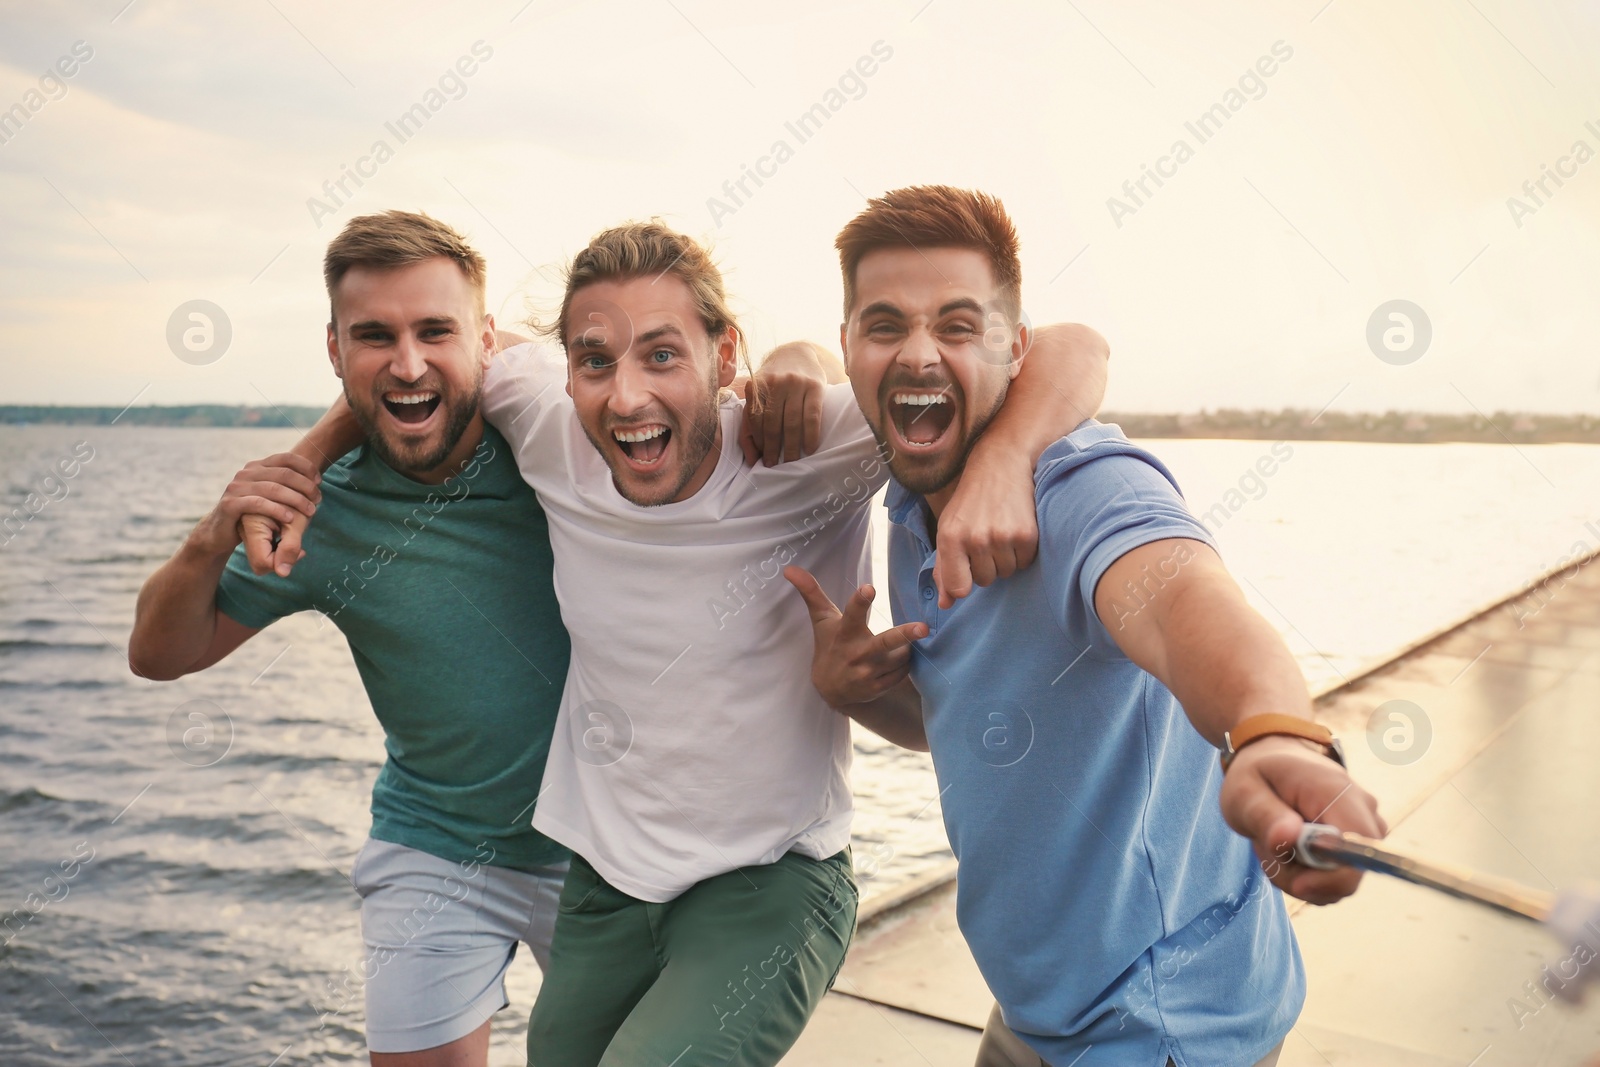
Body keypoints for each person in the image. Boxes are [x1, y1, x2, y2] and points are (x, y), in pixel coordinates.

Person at [268, 216, 1110, 1065]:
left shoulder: (811, 443)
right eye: (595, 360)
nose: (626, 395)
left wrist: (1002, 460)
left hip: (772, 884)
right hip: (608, 884)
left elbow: (1077, 348)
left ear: (726, 354)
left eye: (663, 354)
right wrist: (305, 461)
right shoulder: (542, 414)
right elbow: (419, 367)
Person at [127, 210, 820, 1065]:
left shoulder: (558, 443)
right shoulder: (320, 513)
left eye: (435, 330)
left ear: (486, 342)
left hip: (611, 851)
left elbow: (633, 384)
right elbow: (159, 654)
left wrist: (802, 359)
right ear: (335, 349)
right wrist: (214, 531)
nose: (408, 360)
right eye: (373, 336)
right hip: (436, 844)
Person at [787, 185, 1387, 1067]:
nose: (919, 353)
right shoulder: (910, 507)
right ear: (850, 347)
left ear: (1014, 347)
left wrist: (1272, 732)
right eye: (885, 326)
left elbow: (1191, 608)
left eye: (958, 325)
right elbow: (971, 725)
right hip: (1041, 1012)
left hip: (1164, 1027)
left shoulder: (1088, 488)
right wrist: (849, 694)